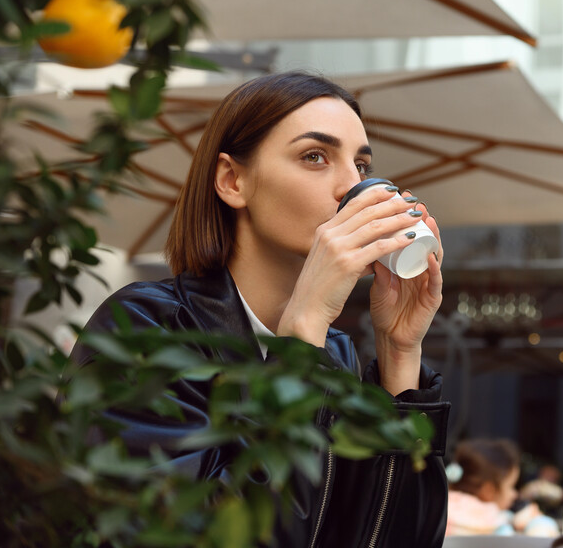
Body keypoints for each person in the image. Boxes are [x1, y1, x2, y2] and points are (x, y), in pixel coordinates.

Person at [70, 71, 450, 547]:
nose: (353, 187)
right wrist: (302, 332)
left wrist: (399, 352)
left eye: (361, 165)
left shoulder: (333, 354)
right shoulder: (147, 328)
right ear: (233, 181)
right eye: (315, 156)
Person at [446, 438, 559, 538]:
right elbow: (541, 536)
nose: (514, 494)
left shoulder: (443, 510)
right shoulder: (496, 525)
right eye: (511, 486)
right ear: (488, 491)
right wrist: (535, 520)